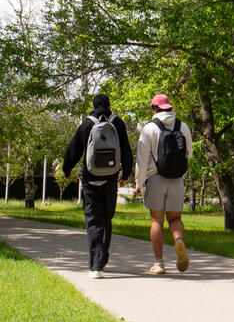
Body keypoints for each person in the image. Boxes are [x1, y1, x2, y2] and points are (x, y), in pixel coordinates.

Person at [62, 93, 132, 279]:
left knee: (93, 219)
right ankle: (103, 258)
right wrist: (125, 174)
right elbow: (125, 149)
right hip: (110, 177)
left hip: (90, 177)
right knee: (106, 218)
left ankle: (95, 265)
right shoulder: (117, 123)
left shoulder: (87, 123)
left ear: (93, 106)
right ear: (109, 105)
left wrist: (66, 169)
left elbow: (74, 148)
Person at [134, 94, 190, 274]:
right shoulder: (183, 126)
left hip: (156, 178)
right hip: (177, 179)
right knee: (175, 218)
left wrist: (139, 183)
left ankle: (158, 263)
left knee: (156, 220)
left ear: (154, 109)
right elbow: (188, 154)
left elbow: (142, 160)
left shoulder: (149, 128)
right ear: (169, 108)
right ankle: (179, 241)